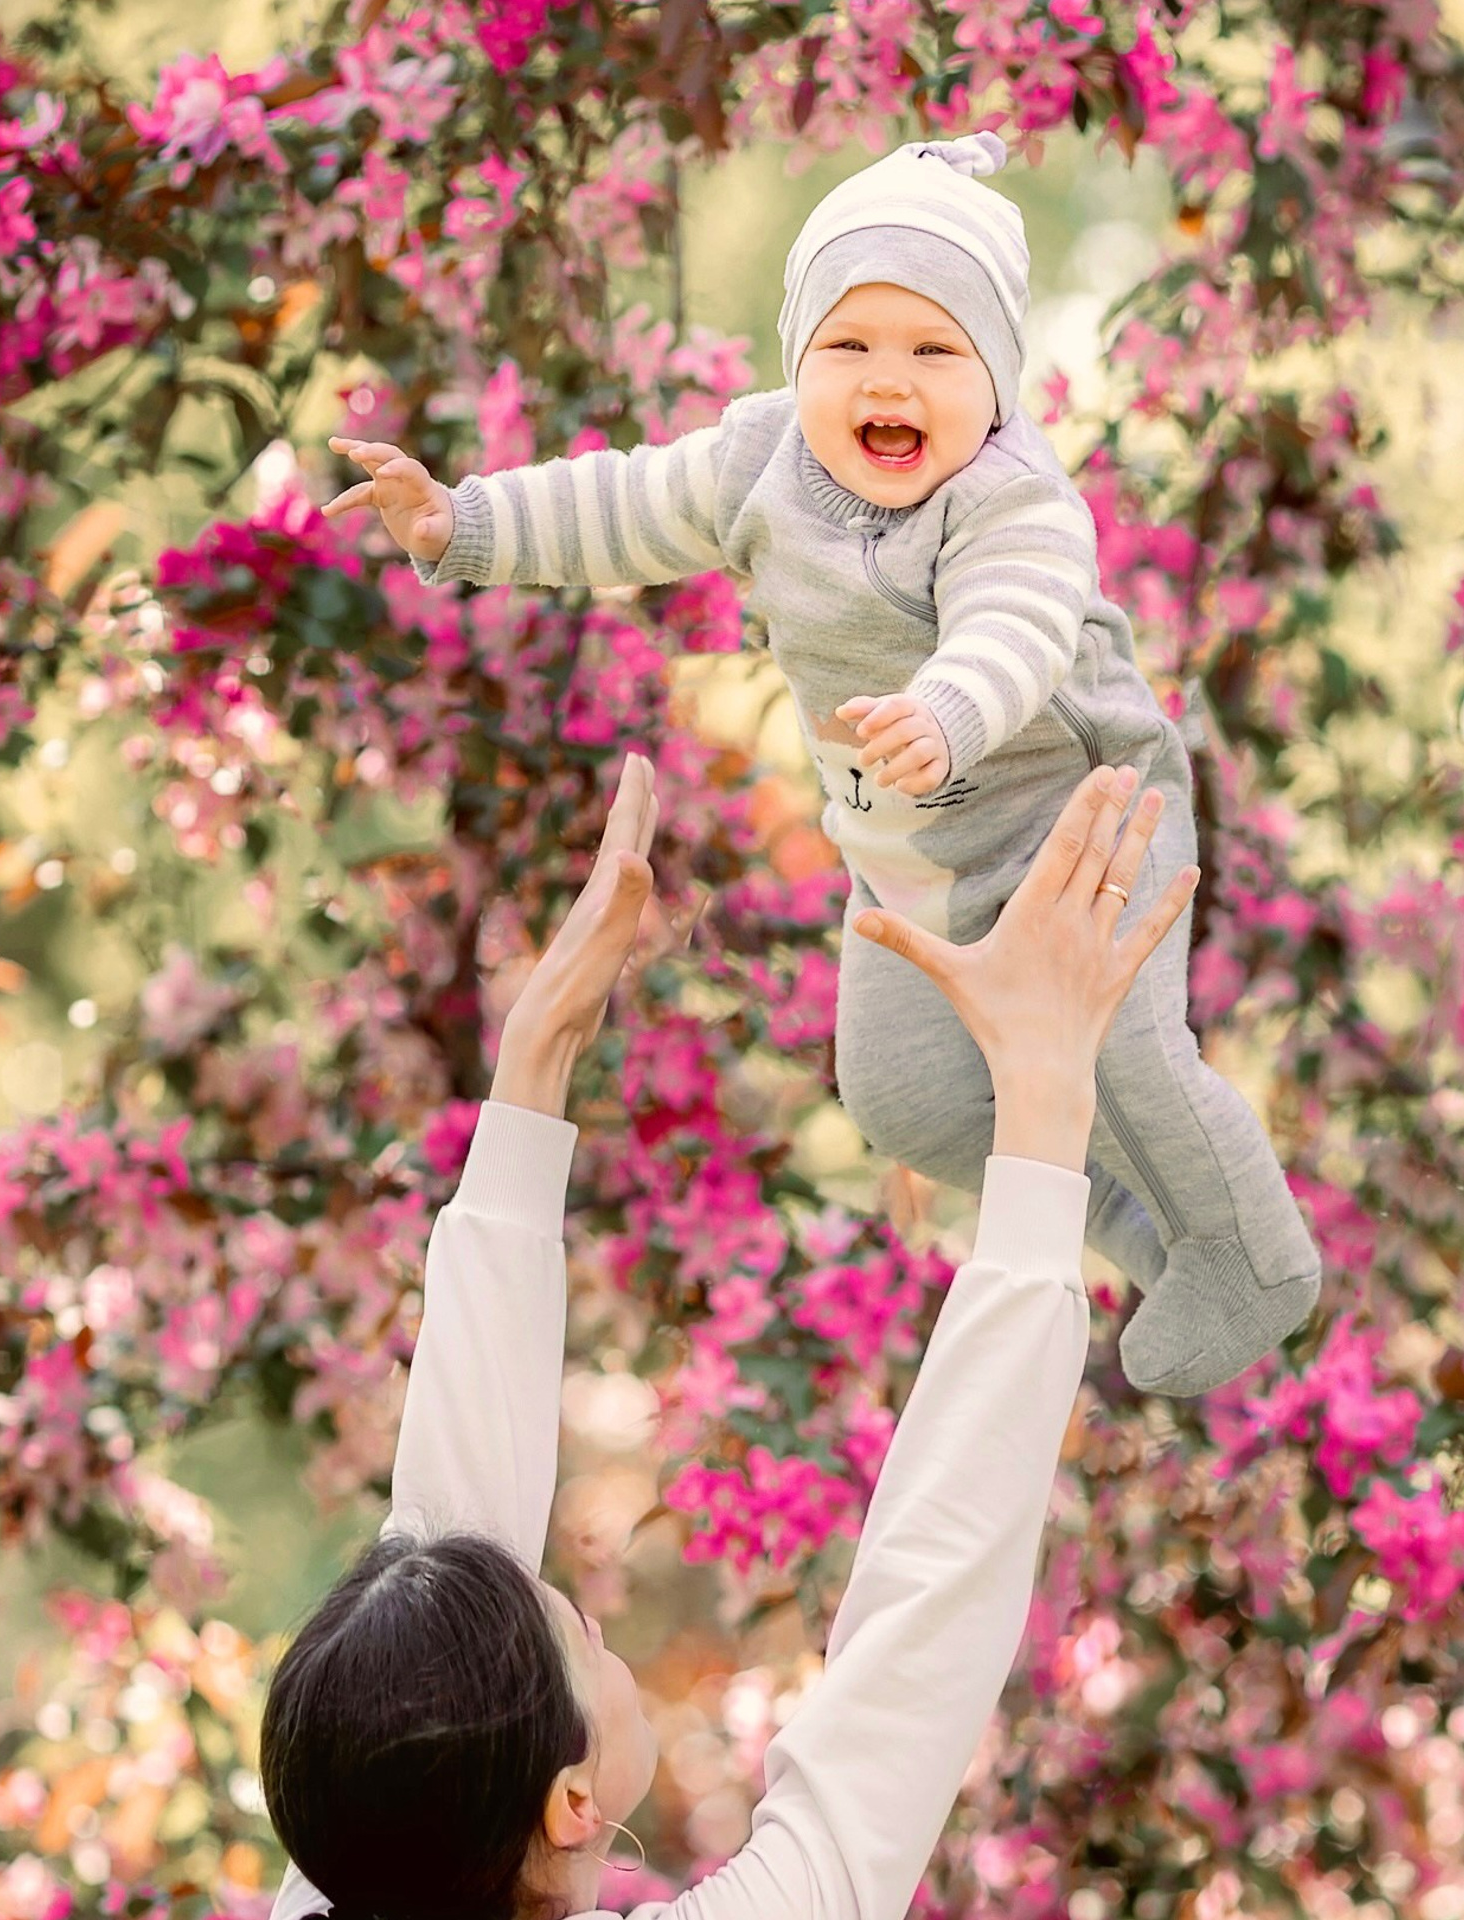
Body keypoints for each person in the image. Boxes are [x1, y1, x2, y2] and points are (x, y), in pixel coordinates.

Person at [320, 131, 1321, 1395]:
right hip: (908, 862)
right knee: (906, 1103)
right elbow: (619, 505)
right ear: (799, 361)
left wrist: (949, 708)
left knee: (1125, 1048)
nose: (886, 380)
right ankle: (1152, 1231)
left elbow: (1015, 623)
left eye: (935, 352)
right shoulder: (758, 463)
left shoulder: (1010, 496)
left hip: (1080, 824)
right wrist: (459, 521)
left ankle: (1256, 1258)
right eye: (848, 346)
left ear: (998, 379)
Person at [262, 754, 1200, 1920]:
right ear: (570, 1802)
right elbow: (927, 1612)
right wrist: (1049, 1075)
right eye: (577, 1638)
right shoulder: (347, 1850)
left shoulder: (357, 1861)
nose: (591, 1617)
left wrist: (538, 1053)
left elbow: (441, 1579)